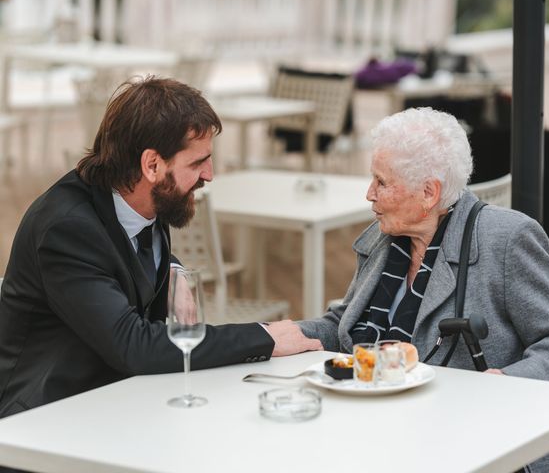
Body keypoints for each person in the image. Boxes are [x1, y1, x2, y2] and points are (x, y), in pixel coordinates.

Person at [284, 107, 549, 472]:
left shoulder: (507, 239)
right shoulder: (387, 239)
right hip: (390, 432)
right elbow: (346, 325)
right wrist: (290, 334)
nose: (370, 194)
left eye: (381, 182)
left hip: (489, 442)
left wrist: (508, 382)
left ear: (429, 193)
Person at [0, 76, 321, 421]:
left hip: (120, 400)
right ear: (151, 165)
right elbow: (133, 346)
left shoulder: (145, 197)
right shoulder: (66, 229)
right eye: (197, 163)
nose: (209, 175)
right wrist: (264, 338)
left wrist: (173, 268)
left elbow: (124, 256)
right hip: (44, 420)